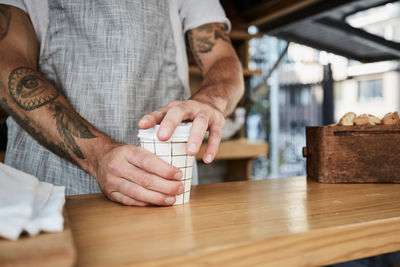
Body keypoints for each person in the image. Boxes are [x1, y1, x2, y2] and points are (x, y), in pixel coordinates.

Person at [0, 1, 244, 206]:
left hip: (166, 186)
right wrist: (98, 155)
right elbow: (7, 65)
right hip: (48, 192)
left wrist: (210, 102)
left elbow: (222, 59)